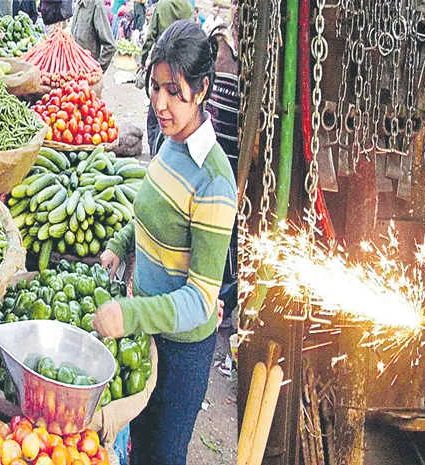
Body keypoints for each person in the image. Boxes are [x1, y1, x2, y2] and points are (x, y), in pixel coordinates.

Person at [92, 20, 237, 465]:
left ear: (203, 89)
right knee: (140, 450)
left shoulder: (214, 180)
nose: (160, 103)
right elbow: (153, 210)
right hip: (149, 334)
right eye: (155, 88)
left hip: (181, 354)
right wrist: (120, 243)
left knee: (162, 456)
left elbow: (199, 300)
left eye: (174, 91)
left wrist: (130, 314)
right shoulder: (171, 142)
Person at [205, 23, 239, 327]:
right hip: (222, 154)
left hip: (230, 156)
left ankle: (224, 302)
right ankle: (222, 300)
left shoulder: (224, 40)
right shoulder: (222, 38)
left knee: (229, 237)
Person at [139, 0, 192, 153]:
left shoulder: (162, 5)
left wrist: (144, 59)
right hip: (181, 67)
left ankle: (155, 153)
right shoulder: (187, 6)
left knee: (155, 116)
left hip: (161, 63)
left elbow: (151, 35)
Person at [70, 0, 116, 71]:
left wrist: (97, 69)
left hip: (87, 71)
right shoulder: (78, 3)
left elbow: (110, 46)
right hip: (74, 69)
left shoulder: (96, 5)